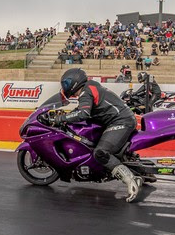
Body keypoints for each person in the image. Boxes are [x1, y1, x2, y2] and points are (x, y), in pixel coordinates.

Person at [45, 68, 144, 202]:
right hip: (121, 119)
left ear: (74, 82)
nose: (65, 86)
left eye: (66, 83)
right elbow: (81, 109)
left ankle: (130, 179)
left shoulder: (85, 92)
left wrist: (60, 119)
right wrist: (66, 116)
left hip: (121, 121)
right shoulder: (89, 87)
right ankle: (142, 172)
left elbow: (83, 113)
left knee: (100, 152)